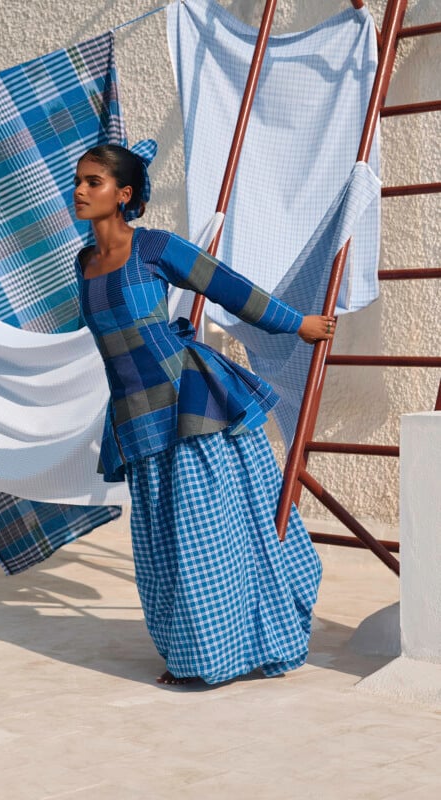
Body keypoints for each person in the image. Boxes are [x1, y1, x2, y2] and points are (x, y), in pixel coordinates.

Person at [73, 140, 335, 686]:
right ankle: (194, 655)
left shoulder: (154, 248)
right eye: (77, 180)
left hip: (191, 409)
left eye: (92, 182)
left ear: (122, 195)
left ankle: (245, 648)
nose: (79, 190)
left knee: (210, 542)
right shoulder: (85, 264)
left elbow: (229, 288)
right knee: (165, 551)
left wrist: (297, 323)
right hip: (137, 421)